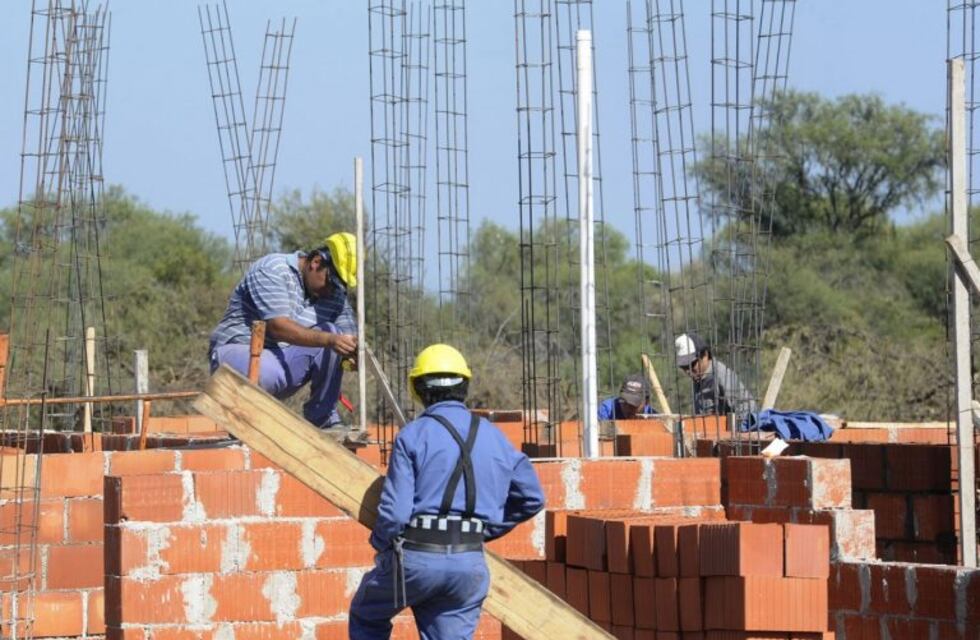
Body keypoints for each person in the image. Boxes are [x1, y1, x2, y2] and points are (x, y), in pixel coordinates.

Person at [349, 344, 545, 640]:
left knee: (367, 615)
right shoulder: (495, 436)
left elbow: (396, 512)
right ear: (464, 385)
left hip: (416, 559)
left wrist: (381, 542)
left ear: (418, 388)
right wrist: (485, 529)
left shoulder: (413, 435)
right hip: (469, 564)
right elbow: (533, 498)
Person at [208, 232, 358, 429]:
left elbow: (349, 340)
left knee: (334, 335)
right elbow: (278, 327)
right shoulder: (273, 270)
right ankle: (247, 420)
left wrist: (352, 356)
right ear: (316, 262)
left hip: (279, 365)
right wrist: (331, 340)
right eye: (331, 282)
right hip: (238, 354)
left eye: (341, 286)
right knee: (330, 338)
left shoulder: (335, 296)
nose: (332, 290)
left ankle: (322, 418)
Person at [675, 332, 756, 416]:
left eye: (692, 364)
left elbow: (748, 409)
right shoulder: (698, 378)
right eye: (684, 367)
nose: (688, 371)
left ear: (705, 355)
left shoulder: (722, 376)